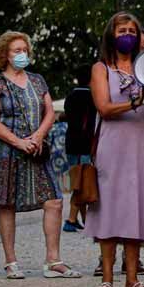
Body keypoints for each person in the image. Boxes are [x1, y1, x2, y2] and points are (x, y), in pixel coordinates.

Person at [0, 31, 79, 280]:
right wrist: (18, 142)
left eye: (24, 49)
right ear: (5, 54)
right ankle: (11, 261)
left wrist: (37, 137)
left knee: (54, 201)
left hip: (36, 151)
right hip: (5, 152)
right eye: (16, 50)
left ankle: (53, 260)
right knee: (7, 204)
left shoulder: (37, 81)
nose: (22, 54)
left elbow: (49, 112)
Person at [86, 13, 144, 287]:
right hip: (113, 145)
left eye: (132, 30)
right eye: (122, 30)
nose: (128, 34)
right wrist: (135, 101)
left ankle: (132, 279)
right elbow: (104, 108)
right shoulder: (101, 68)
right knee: (110, 208)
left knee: (136, 208)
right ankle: (107, 278)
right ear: (111, 34)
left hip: (142, 145)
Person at [63, 64, 96, 232]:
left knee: (77, 181)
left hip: (71, 143)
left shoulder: (70, 97)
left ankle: (81, 219)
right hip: (86, 144)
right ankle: (70, 219)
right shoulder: (93, 98)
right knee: (82, 183)